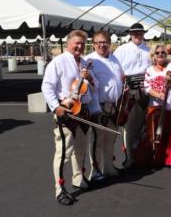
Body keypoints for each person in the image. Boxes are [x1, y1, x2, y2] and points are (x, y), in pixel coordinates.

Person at [41, 30, 100, 206]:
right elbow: (47, 86)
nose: (80, 47)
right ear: (69, 43)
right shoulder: (58, 62)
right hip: (66, 110)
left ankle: (78, 178)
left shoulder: (84, 63)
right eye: (77, 43)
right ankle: (59, 189)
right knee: (64, 153)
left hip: (83, 111)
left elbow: (95, 87)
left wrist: (90, 78)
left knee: (80, 149)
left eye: (82, 44)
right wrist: (56, 107)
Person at [135, 45, 171, 168]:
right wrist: (159, 95)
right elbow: (147, 89)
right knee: (157, 133)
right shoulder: (149, 70)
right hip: (155, 107)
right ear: (153, 56)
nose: (160, 54)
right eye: (157, 53)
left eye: (163, 52)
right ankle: (158, 157)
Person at [85, 30, 124, 180]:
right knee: (97, 140)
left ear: (109, 43)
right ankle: (95, 172)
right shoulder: (89, 61)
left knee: (110, 139)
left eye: (105, 42)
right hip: (98, 106)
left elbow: (120, 76)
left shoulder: (114, 58)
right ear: (94, 44)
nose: (102, 45)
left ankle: (108, 167)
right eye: (99, 42)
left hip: (113, 105)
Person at [113, 23, 152, 168]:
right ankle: (129, 156)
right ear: (130, 34)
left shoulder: (148, 49)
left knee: (143, 124)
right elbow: (116, 70)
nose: (137, 35)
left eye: (140, 33)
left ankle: (140, 154)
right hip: (129, 91)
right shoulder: (122, 50)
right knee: (128, 126)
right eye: (135, 33)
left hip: (145, 90)